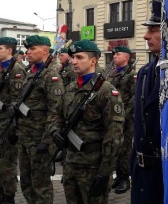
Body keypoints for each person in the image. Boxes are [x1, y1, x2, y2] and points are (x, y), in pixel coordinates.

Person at [50, 39, 124, 204]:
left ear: (93, 60)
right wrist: (55, 131)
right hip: (70, 163)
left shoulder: (106, 91)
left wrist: (104, 173)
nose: (74, 61)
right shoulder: (70, 88)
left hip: (93, 166)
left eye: (79, 57)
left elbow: (114, 137)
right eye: (73, 57)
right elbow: (56, 114)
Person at [12, 35, 63, 204]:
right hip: (25, 135)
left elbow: (55, 110)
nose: (28, 52)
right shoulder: (30, 73)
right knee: (26, 180)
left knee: (40, 183)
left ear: (45, 50)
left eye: (33, 49)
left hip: (39, 138)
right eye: (28, 49)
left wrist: (47, 141)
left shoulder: (51, 76)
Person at [130, 0, 163, 204]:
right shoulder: (145, 71)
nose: (145, 36)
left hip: (166, 173)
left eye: (153, 30)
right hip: (142, 170)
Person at [0, 37, 26, 204]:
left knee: (7, 162)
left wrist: (12, 126)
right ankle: (1, 193)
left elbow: (17, 101)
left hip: (7, 123)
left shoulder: (16, 69)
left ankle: (9, 197)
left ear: (9, 50)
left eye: (0, 48)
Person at [107, 46, 136, 194]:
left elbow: (134, 97)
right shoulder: (111, 73)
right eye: (114, 54)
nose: (114, 57)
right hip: (112, 117)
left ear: (126, 57)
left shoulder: (132, 75)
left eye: (118, 54)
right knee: (116, 148)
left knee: (125, 149)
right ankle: (118, 177)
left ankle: (125, 179)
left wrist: (124, 114)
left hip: (126, 119)